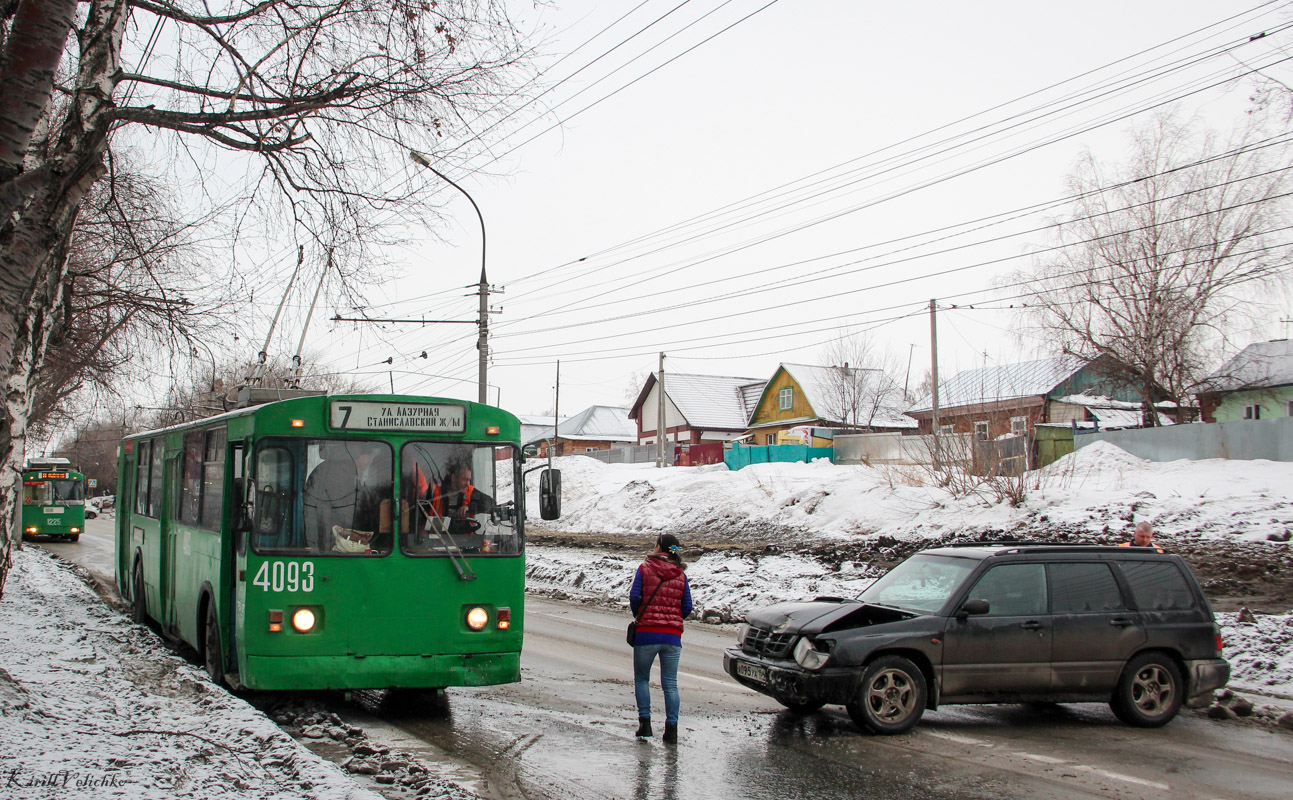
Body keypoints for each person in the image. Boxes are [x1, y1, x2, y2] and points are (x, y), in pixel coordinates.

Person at [629, 533, 693, 744]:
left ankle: (645, 724)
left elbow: (635, 597)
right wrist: (673, 620)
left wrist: (641, 615)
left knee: (642, 678)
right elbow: (687, 607)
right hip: (672, 637)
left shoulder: (645, 568)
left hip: (646, 633)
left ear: (659, 548)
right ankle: (671, 729)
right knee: (670, 684)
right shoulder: (681, 574)